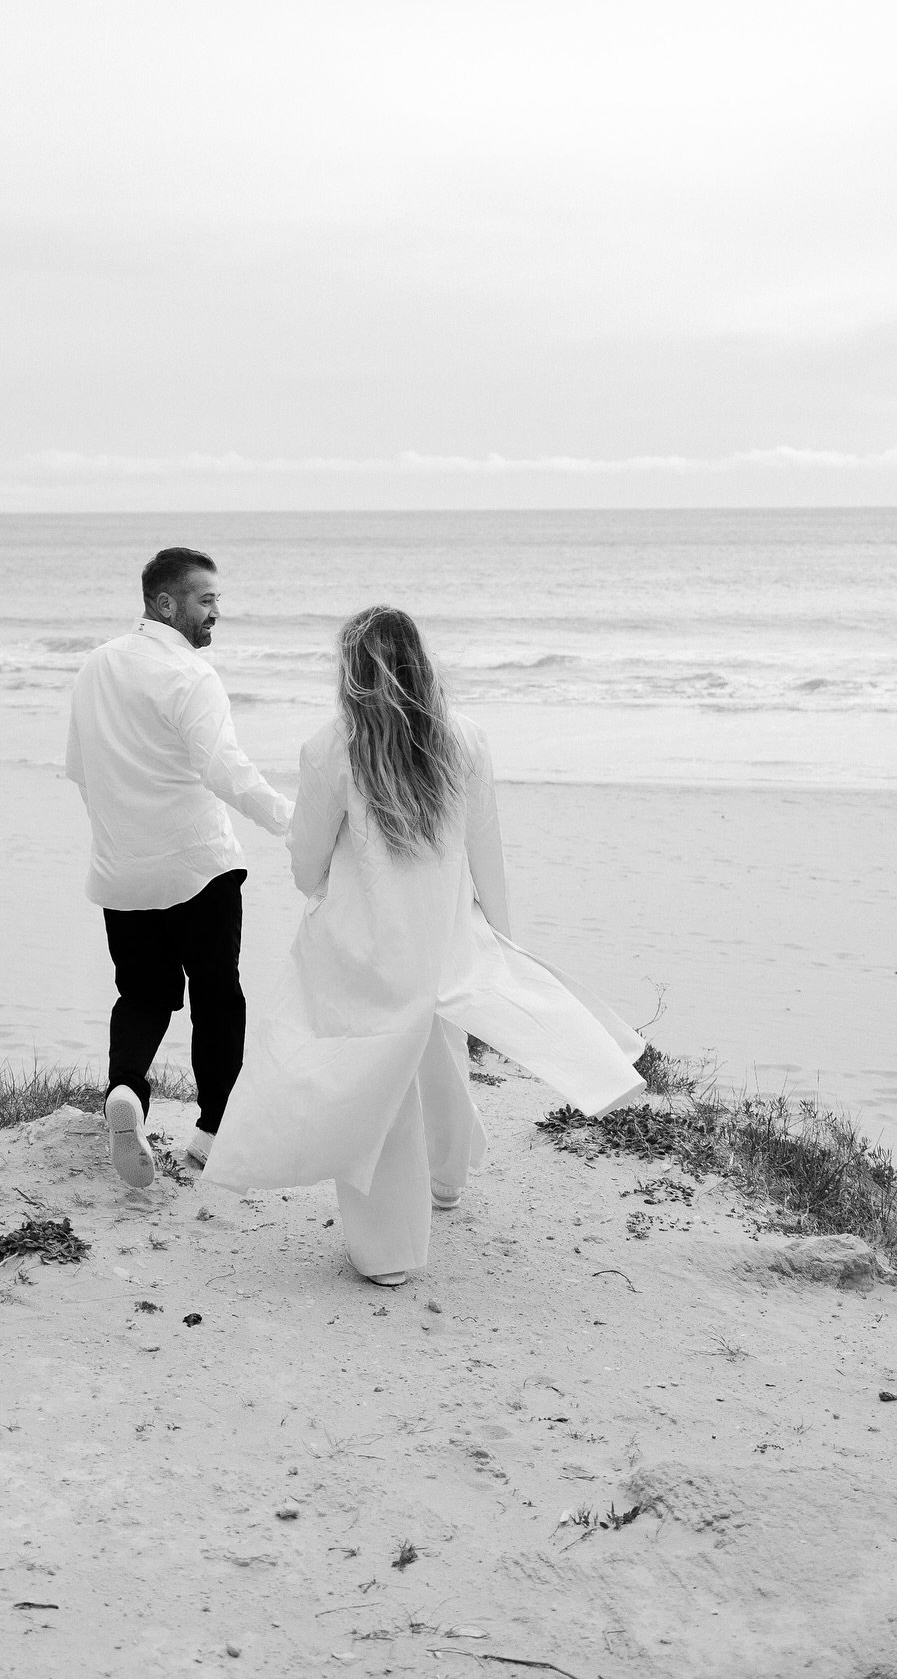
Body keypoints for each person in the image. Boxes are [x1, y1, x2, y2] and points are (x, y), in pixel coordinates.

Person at [205, 605, 644, 1285]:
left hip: (366, 938)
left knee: (374, 1076)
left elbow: (306, 857)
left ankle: (390, 1253)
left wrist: (320, 888)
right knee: (436, 1046)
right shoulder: (465, 739)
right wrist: (498, 932)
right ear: (421, 661)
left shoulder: (329, 748)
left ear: (351, 672)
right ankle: (447, 1179)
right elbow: (486, 843)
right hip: (443, 934)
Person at [66, 547, 292, 1191]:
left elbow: (81, 768)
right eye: (206, 600)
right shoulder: (191, 676)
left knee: (143, 994)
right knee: (217, 997)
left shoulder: (96, 665)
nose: (216, 612)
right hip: (198, 867)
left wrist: (120, 833)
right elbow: (226, 770)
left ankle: (127, 1093)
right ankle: (212, 1132)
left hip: (122, 870)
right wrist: (291, 821)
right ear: (166, 604)